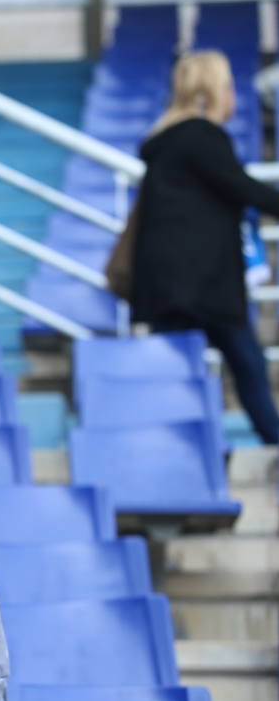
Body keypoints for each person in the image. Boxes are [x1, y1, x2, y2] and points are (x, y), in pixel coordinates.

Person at [130, 50, 279, 445]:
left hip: (171, 285)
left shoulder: (168, 140)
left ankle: (185, 447)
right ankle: (270, 436)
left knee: (181, 372)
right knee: (247, 362)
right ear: (214, 90)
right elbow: (243, 188)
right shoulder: (201, 136)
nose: (234, 95)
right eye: (229, 85)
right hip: (203, 285)